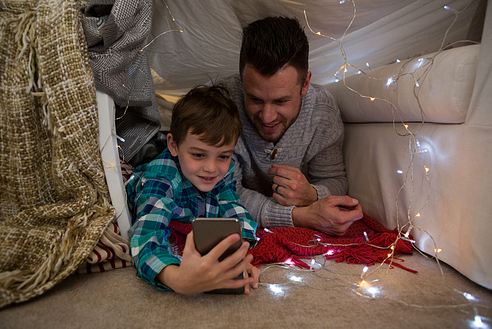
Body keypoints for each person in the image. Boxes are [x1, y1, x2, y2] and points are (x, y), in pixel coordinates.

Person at [221, 16, 363, 236]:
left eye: (281, 101)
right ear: (242, 81)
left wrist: (313, 195)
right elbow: (225, 193)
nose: (267, 117)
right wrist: (298, 217)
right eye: (255, 99)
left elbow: (334, 179)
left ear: (305, 85)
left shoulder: (322, 110)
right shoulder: (222, 103)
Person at [126, 84, 259, 294]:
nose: (211, 168)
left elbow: (234, 209)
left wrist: (235, 256)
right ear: (173, 145)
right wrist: (178, 279)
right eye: (198, 155)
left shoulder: (223, 172)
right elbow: (145, 238)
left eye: (223, 156)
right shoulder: (162, 177)